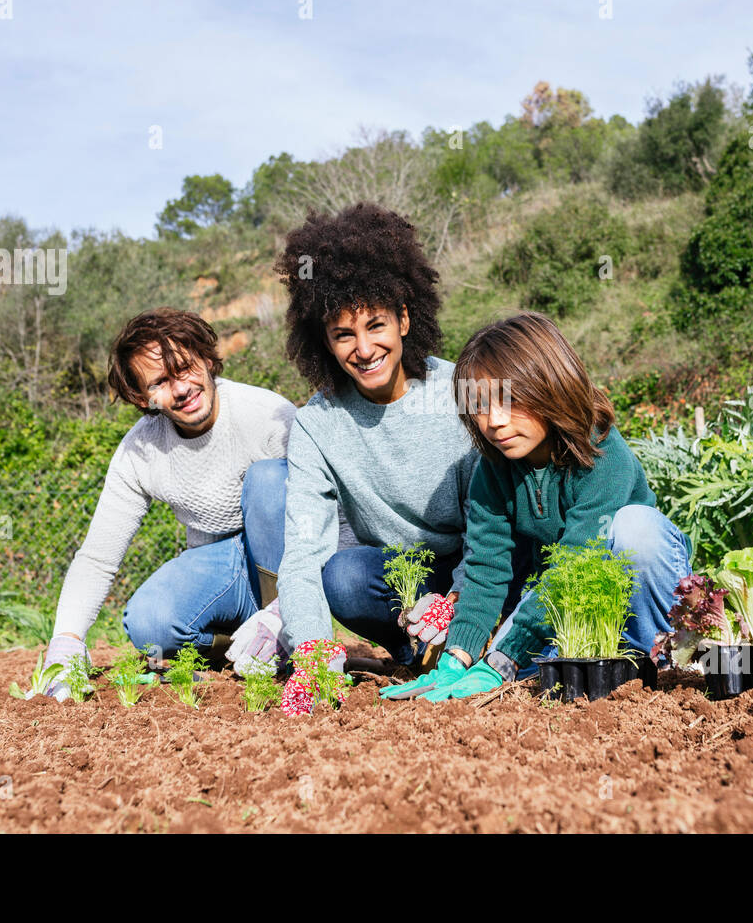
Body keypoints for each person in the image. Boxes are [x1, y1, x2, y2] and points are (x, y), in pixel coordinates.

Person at [228, 202, 501, 714]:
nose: (364, 347)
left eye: (376, 325)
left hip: (483, 566)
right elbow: (304, 553)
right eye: (343, 334)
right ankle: (410, 648)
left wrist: (456, 603)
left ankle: (467, 636)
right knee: (345, 576)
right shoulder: (318, 423)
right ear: (325, 344)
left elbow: (492, 526)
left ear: (403, 318)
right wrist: (309, 649)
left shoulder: (459, 392)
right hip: (399, 575)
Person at [381, 311, 692, 702]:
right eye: (479, 406)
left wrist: (502, 658)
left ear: (552, 387)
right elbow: (485, 569)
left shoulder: (602, 454)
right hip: (575, 612)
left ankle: (664, 664)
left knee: (635, 528)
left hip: (637, 600)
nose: (493, 422)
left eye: (509, 400)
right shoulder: (492, 471)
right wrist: (457, 658)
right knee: (519, 673)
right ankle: (598, 663)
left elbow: (578, 560)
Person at [41, 308, 295, 698]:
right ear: (143, 398)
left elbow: (327, 513)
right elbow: (98, 557)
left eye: (185, 368)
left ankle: (286, 627)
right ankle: (238, 645)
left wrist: (288, 608)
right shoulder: (140, 451)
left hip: (285, 564)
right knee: (149, 623)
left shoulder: (266, 414)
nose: (180, 389)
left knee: (269, 478)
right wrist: (66, 640)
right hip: (220, 564)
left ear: (208, 360)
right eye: (160, 381)